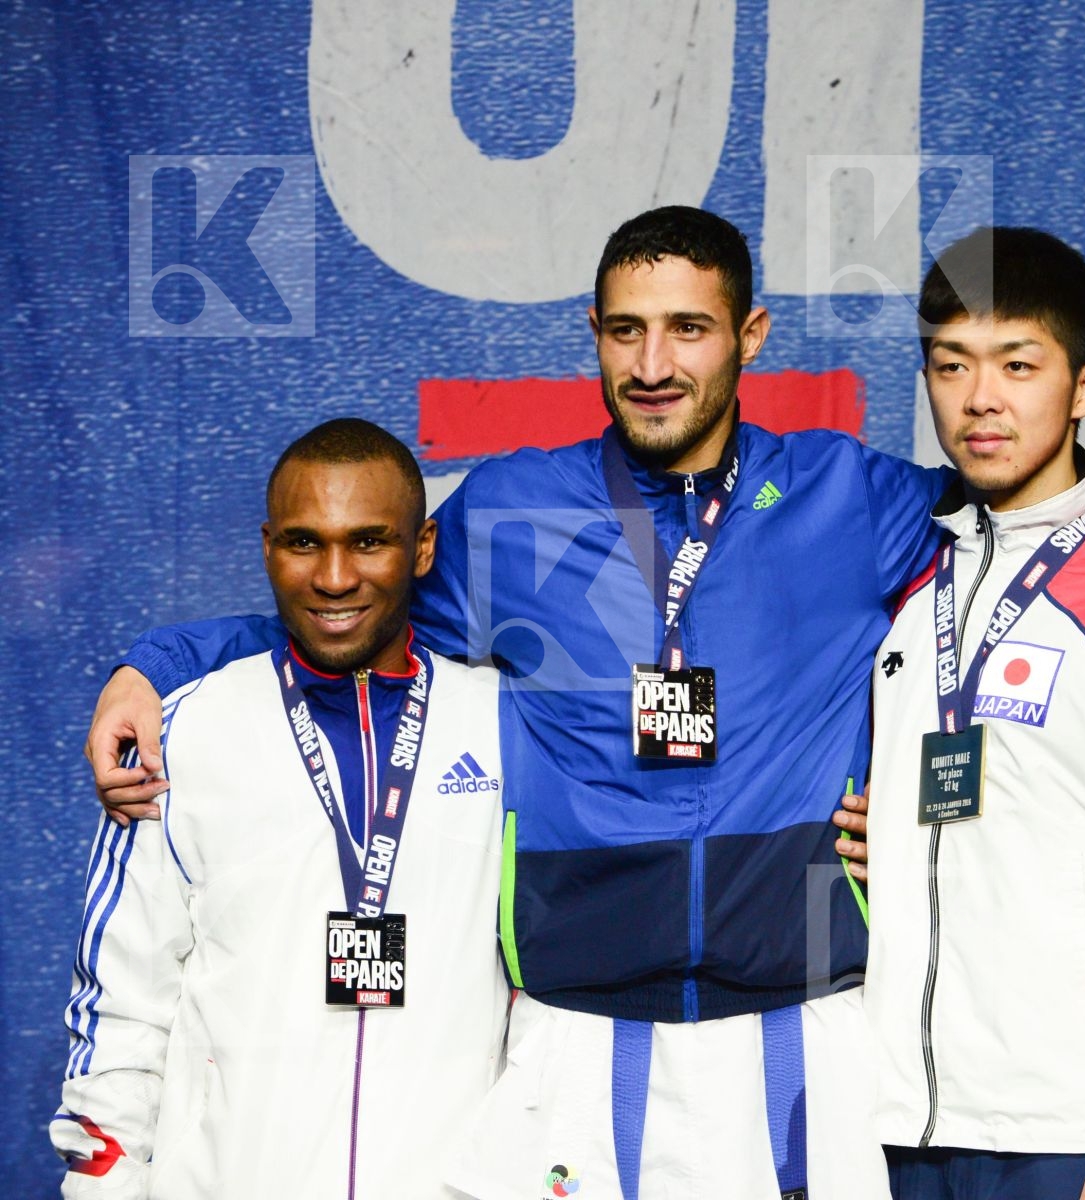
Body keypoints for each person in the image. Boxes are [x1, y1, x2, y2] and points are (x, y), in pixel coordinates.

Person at [82, 207, 948, 1199]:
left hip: (797, 1020)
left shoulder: (851, 497)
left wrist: (927, 827)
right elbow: (352, 609)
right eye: (626, 330)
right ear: (593, 333)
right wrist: (160, 664)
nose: (653, 364)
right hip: (575, 1036)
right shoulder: (511, 511)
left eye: (688, 329)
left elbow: (1029, 558)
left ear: (749, 336)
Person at [857, 227, 1085, 1200]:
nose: (981, 398)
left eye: (1018, 365)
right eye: (952, 365)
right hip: (896, 1121)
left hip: (1078, 1130)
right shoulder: (906, 585)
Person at [52, 418, 509, 1197]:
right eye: (304, 543)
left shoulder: (502, 728)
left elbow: (545, 997)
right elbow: (120, 1009)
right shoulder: (182, 733)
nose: (334, 577)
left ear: (423, 548)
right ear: (268, 546)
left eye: (368, 542)